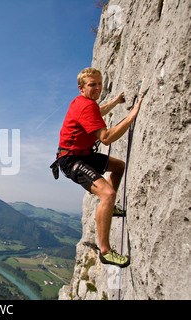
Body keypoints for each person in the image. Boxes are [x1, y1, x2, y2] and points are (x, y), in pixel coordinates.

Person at [56, 67, 143, 268]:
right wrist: (131, 117)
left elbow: (96, 113)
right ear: (81, 88)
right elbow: (105, 138)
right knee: (108, 194)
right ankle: (105, 251)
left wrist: (115, 102)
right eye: (92, 85)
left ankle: (109, 208)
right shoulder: (86, 106)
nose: (97, 88)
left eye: (99, 83)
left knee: (118, 166)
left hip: (83, 155)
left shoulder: (85, 104)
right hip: (72, 160)